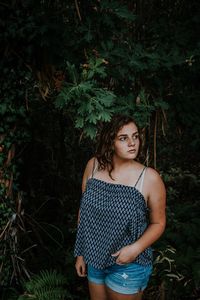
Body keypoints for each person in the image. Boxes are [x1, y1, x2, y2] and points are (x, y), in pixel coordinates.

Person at [74, 114, 166, 300]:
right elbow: (84, 212)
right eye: (123, 138)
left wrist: (135, 249)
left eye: (135, 136)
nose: (132, 143)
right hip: (95, 258)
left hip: (129, 263)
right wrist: (81, 253)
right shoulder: (93, 166)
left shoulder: (149, 178)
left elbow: (159, 223)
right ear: (110, 142)